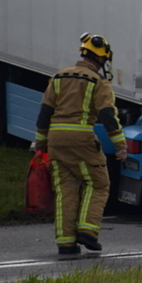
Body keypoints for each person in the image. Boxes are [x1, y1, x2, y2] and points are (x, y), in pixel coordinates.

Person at [34, 34, 127, 256]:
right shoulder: (99, 82)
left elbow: (44, 113)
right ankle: (88, 231)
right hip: (82, 141)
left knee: (65, 190)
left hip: (56, 142)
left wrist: (40, 143)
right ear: (102, 59)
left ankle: (66, 243)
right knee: (98, 184)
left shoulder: (57, 77)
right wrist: (120, 145)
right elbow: (107, 115)